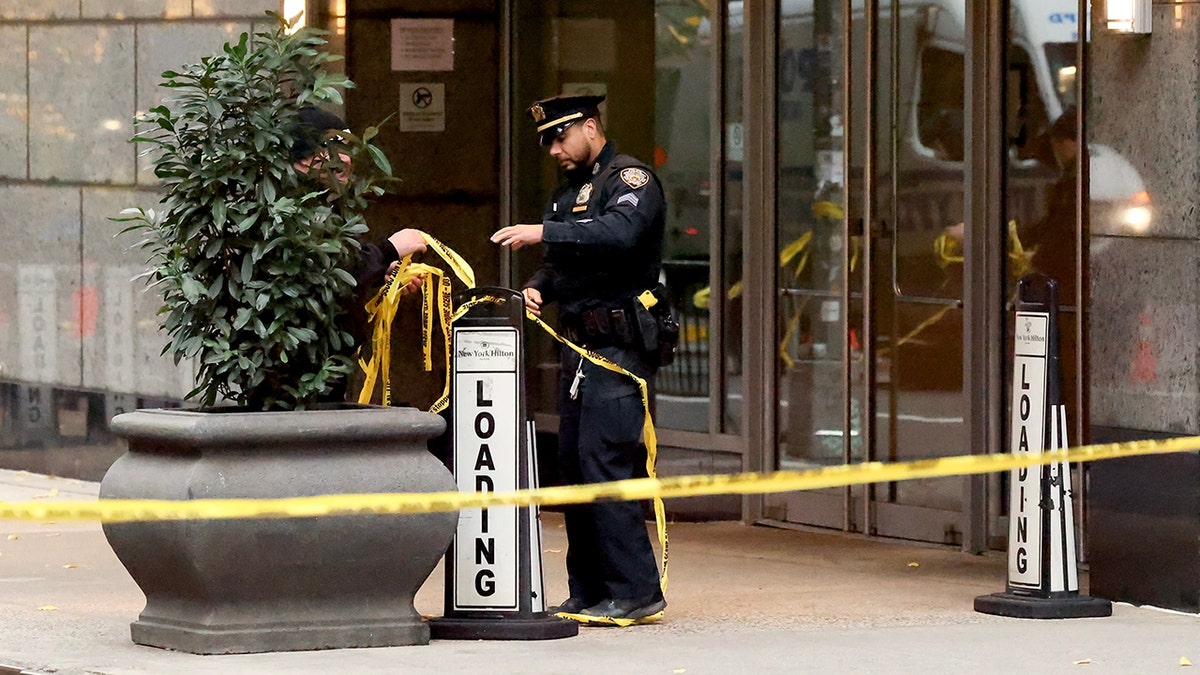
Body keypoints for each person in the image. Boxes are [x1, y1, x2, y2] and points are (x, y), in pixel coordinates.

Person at [491, 94, 668, 622]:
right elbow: (560, 259)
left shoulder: (630, 180)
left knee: (605, 461)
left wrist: (542, 230)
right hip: (579, 347)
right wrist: (538, 285)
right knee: (572, 464)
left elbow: (620, 234)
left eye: (560, 137)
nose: (553, 150)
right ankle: (588, 589)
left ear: (591, 127)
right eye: (546, 141)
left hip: (619, 346)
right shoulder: (569, 191)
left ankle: (637, 591)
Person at [290, 105, 427, 399]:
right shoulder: (288, 210)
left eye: (348, 149)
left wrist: (382, 276)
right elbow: (316, 272)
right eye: (335, 149)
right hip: (299, 372)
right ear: (303, 160)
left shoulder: (326, 204)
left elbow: (336, 274)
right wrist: (389, 250)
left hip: (329, 364)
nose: (347, 160)